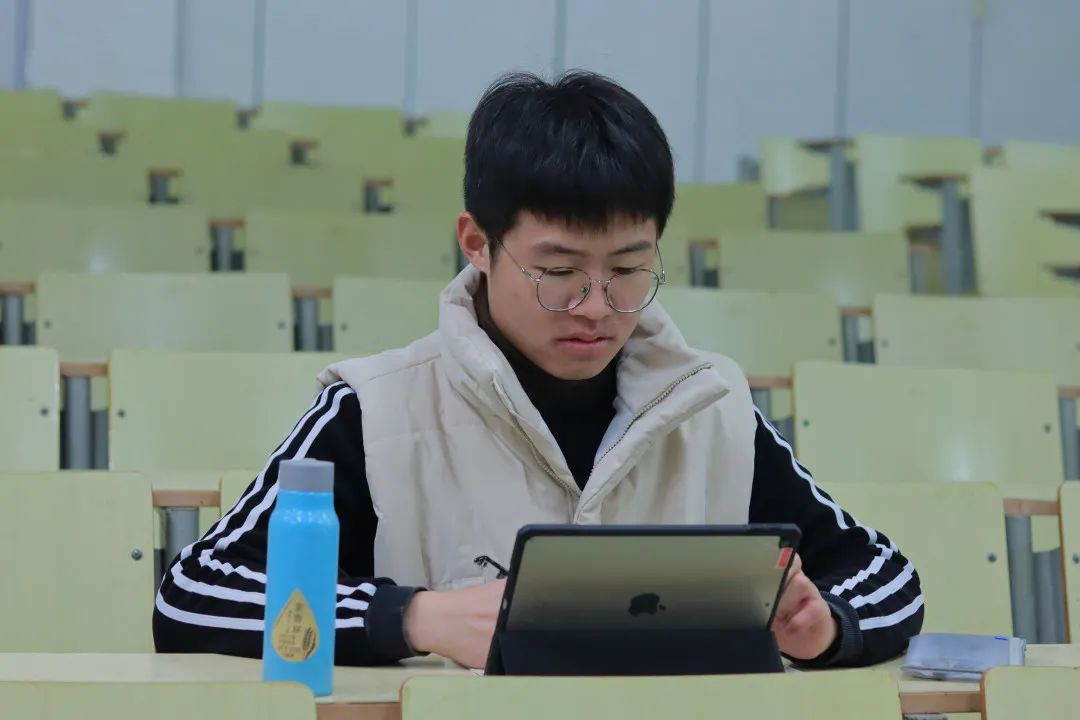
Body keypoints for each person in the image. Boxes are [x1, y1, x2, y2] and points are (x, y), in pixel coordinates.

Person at [154, 71, 922, 669]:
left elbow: (883, 575)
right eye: (558, 272)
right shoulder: (376, 411)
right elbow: (195, 595)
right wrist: (412, 617)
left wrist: (826, 628)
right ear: (477, 243)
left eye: (629, 269)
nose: (596, 306)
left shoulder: (708, 408)